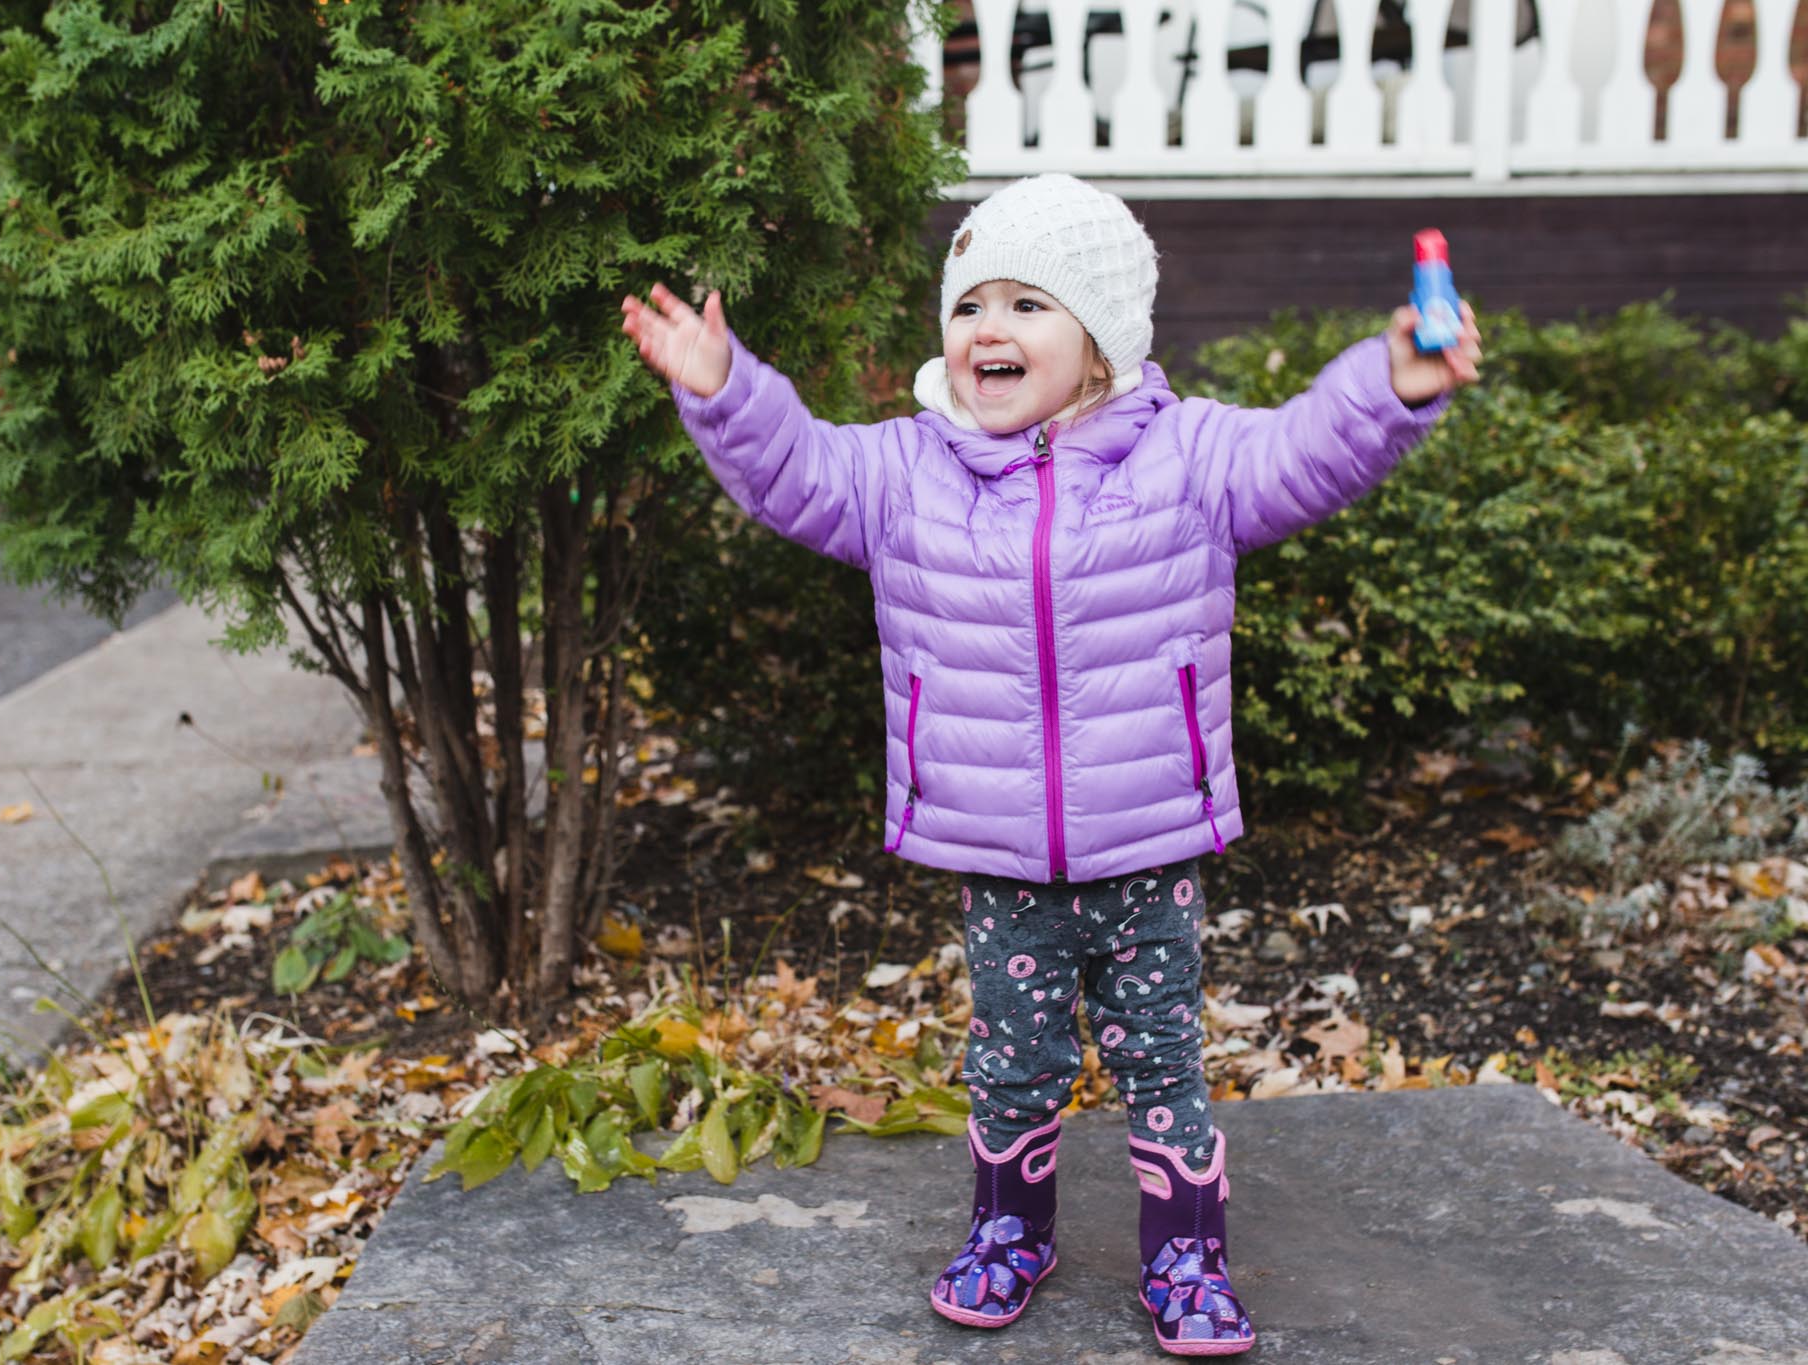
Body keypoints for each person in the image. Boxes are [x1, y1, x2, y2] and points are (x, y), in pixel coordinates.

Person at [619, 173, 1481, 1356]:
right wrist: (725, 393)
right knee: (1012, 1061)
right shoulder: (903, 474)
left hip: (1145, 844)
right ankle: (1006, 1231)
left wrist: (1389, 387)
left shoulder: (1188, 460)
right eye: (971, 305)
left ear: (1102, 337)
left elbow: (1304, 453)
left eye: (1028, 305)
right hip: (999, 853)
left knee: (1160, 1058)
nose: (989, 330)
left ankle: (1186, 1251)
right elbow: (796, 472)